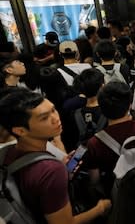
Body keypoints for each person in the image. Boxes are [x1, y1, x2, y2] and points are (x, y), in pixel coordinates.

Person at [0, 87, 111, 223]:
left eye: (53, 110)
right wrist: (100, 208)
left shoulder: (6, 152)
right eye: (44, 118)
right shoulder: (51, 171)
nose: (55, 118)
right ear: (20, 130)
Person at [83, 81, 135, 197]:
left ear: (101, 108)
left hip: (118, 195)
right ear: (130, 105)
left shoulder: (95, 143)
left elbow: (94, 180)